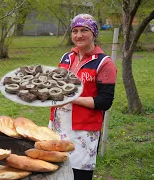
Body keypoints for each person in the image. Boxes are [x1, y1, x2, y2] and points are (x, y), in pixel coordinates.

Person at [48, 14, 117, 180]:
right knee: (54, 170)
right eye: (75, 31)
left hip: (83, 130)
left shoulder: (104, 63)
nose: (78, 35)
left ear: (93, 33)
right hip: (58, 124)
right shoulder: (67, 57)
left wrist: (73, 99)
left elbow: (105, 101)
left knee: (78, 174)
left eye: (84, 30)